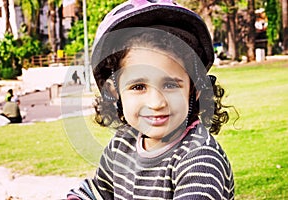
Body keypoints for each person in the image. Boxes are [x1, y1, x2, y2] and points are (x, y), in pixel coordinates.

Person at [67, 0, 234, 199]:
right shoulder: (122, 144)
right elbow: (96, 192)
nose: (156, 103)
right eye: (138, 87)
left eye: (170, 85)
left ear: (195, 89)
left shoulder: (200, 160)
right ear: (114, 92)